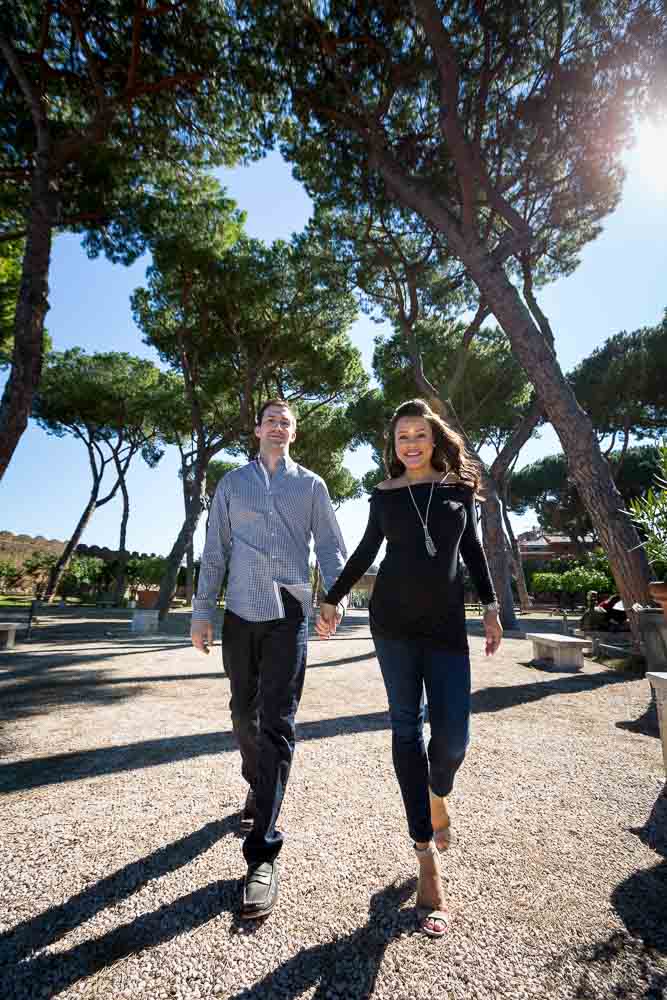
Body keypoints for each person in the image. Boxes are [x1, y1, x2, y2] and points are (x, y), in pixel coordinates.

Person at [316, 399, 502, 938]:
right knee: (404, 729)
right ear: (393, 446)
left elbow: (473, 553)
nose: (412, 443)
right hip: (392, 627)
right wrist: (331, 598)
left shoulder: (457, 491)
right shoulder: (384, 496)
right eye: (402, 437)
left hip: (445, 628)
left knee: (452, 740)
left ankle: (436, 792)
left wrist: (490, 607)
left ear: (434, 439)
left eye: (420, 434)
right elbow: (366, 552)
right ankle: (426, 857)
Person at [191, 399, 347, 920]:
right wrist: (201, 612)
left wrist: (335, 597)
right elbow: (215, 549)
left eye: (287, 421)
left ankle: (262, 853)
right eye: (271, 420)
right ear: (257, 429)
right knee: (243, 715)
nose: (278, 427)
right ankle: (259, 786)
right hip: (239, 612)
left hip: (289, 613)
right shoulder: (231, 485)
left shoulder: (313, 486)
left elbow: (330, 545)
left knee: (277, 723)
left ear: (294, 433)